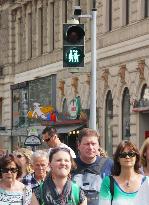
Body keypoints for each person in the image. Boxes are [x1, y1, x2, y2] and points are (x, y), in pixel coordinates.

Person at [72, 128, 113, 205]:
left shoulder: (109, 164)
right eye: (87, 144)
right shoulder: (70, 165)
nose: (90, 147)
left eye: (93, 144)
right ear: (78, 145)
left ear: (98, 146)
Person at [99, 140, 148, 205]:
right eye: (123, 155)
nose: (127, 157)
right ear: (117, 159)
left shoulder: (146, 181)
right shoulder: (108, 182)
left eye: (131, 154)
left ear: (136, 157)